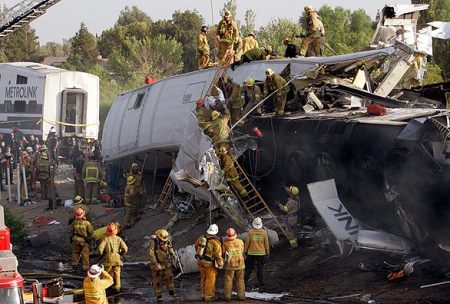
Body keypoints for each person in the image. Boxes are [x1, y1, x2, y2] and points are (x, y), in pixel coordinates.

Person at [195, 224, 223, 302]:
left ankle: (203, 295)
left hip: (200, 261)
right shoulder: (215, 242)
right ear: (216, 232)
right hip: (209, 263)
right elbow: (218, 254)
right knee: (210, 279)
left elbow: (196, 246)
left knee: (203, 278)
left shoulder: (201, 238)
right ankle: (209, 296)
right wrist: (220, 264)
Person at [98, 222, 128, 293]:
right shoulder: (119, 239)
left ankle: (105, 288)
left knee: (106, 273)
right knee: (117, 274)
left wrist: (102, 255)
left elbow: (100, 249)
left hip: (108, 258)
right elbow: (125, 249)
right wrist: (120, 254)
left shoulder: (106, 239)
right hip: (117, 258)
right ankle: (117, 289)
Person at [149, 228, 177, 303]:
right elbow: (151, 254)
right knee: (157, 280)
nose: (164, 241)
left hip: (166, 263)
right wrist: (155, 263)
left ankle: (171, 290)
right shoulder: (153, 242)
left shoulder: (167, 240)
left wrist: (173, 254)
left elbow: (170, 247)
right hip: (157, 264)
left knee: (170, 276)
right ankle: (159, 295)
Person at [244, 217, 270, 291]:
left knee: (248, 269)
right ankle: (261, 285)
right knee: (260, 270)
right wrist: (267, 253)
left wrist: (245, 251)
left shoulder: (250, 232)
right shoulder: (264, 232)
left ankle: (244, 284)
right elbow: (266, 243)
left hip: (251, 253)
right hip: (261, 254)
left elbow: (247, 243)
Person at [223, 227, 245, 301]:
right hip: (240, 264)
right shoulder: (240, 242)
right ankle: (241, 296)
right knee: (240, 280)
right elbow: (242, 251)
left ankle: (227, 297)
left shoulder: (225, 244)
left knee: (228, 280)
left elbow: (223, 254)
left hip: (229, 265)